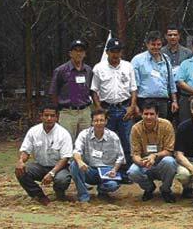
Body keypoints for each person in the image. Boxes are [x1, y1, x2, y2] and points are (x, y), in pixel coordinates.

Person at [91, 38, 137, 176]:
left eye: (118, 51)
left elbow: (133, 89)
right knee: (107, 142)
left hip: (124, 108)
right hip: (107, 109)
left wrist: (132, 107)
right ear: (107, 52)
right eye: (113, 51)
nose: (116, 55)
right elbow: (94, 91)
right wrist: (100, 110)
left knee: (127, 142)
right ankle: (107, 170)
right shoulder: (99, 68)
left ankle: (127, 172)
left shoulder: (128, 66)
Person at [15, 104, 72, 205]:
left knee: (62, 180)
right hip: (40, 166)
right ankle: (39, 195)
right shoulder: (33, 131)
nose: (49, 118)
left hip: (59, 168)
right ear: (41, 116)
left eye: (52, 116)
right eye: (46, 115)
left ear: (57, 117)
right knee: (20, 170)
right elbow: (25, 150)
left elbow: (65, 158)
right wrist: (20, 161)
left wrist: (52, 173)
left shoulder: (63, 134)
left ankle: (60, 193)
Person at [70, 109, 125, 202]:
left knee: (113, 185)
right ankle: (83, 195)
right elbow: (76, 151)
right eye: (96, 121)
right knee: (74, 165)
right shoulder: (84, 134)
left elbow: (120, 157)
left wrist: (114, 170)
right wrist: (80, 162)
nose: (99, 123)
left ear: (106, 121)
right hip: (89, 170)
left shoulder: (113, 137)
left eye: (101, 120)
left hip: (106, 172)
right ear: (92, 122)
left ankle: (102, 191)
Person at [127, 101, 178, 203]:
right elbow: (135, 154)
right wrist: (142, 162)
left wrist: (154, 156)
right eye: (146, 114)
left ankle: (165, 190)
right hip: (144, 162)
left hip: (161, 162)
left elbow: (170, 150)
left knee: (170, 162)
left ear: (157, 115)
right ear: (141, 114)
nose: (148, 117)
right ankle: (149, 188)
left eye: (151, 114)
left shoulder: (166, 125)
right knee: (132, 172)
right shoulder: (136, 128)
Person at [49, 39, 93, 140]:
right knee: (67, 142)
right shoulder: (61, 70)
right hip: (67, 112)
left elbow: (91, 90)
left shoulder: (88, 70)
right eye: (75, 50)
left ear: (85, 54)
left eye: (81, 51)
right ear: (70, 53)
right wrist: (57, 111)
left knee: (85, 142)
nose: (78, 53)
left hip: (85, 112)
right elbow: (53, 92)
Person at [131, 31, 178, 120]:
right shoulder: (138, 60)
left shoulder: (166, 59)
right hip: (144, 102)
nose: (156, 47)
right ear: (147, 44)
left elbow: (171, 83)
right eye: (153, 44)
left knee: (162, 130)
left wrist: (174, 101)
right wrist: (134, 105)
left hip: (163, 102)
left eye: (158, 44)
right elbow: (134, 85)